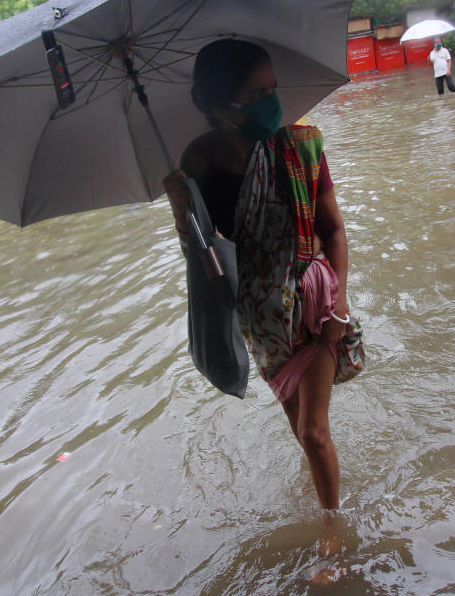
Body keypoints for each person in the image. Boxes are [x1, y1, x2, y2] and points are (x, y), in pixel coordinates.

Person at [162, 39, 364, 552]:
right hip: (260, 317)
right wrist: (179, 206)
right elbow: (202, 254)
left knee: (314, 431)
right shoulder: (199, 160)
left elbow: (334, 231)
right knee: (301, 426)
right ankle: (326, 483)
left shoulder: (301, 144)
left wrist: (339, 303)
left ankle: (333, 530)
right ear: (219, 107)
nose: (272, 103)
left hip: (313, 299)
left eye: (273, 89)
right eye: (256, 94)